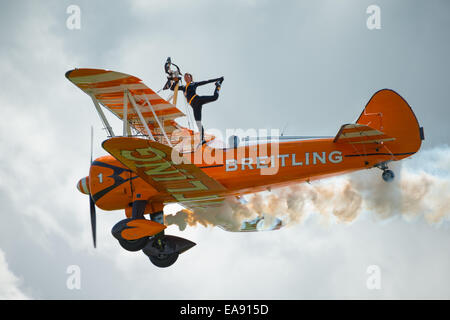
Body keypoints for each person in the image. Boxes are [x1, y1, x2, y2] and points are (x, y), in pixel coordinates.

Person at [171, 73, 224, 144]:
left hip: (197, 99)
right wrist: (176, 81)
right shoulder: (183, 87)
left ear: (190, 78)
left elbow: (206, 81)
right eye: (185, 76)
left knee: (215, 97)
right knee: (198, 122)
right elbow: (172, 89)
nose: (186, 77)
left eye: (188, 76)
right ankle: (202, 140)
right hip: (194, 106)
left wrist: (218, 79)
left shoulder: (194, 84)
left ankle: (218, 86)